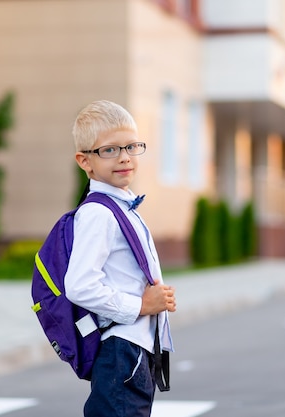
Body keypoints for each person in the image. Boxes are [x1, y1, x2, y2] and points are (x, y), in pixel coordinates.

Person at [65, 100, 176, 417]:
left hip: (133, 351)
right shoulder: (99, 214)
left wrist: (158, 298)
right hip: (121, 352)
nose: (124, 157)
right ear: (85, 161)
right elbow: (80, 285)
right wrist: (141, 306)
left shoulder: (122, 207)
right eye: (110, 150)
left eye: (131, 146)